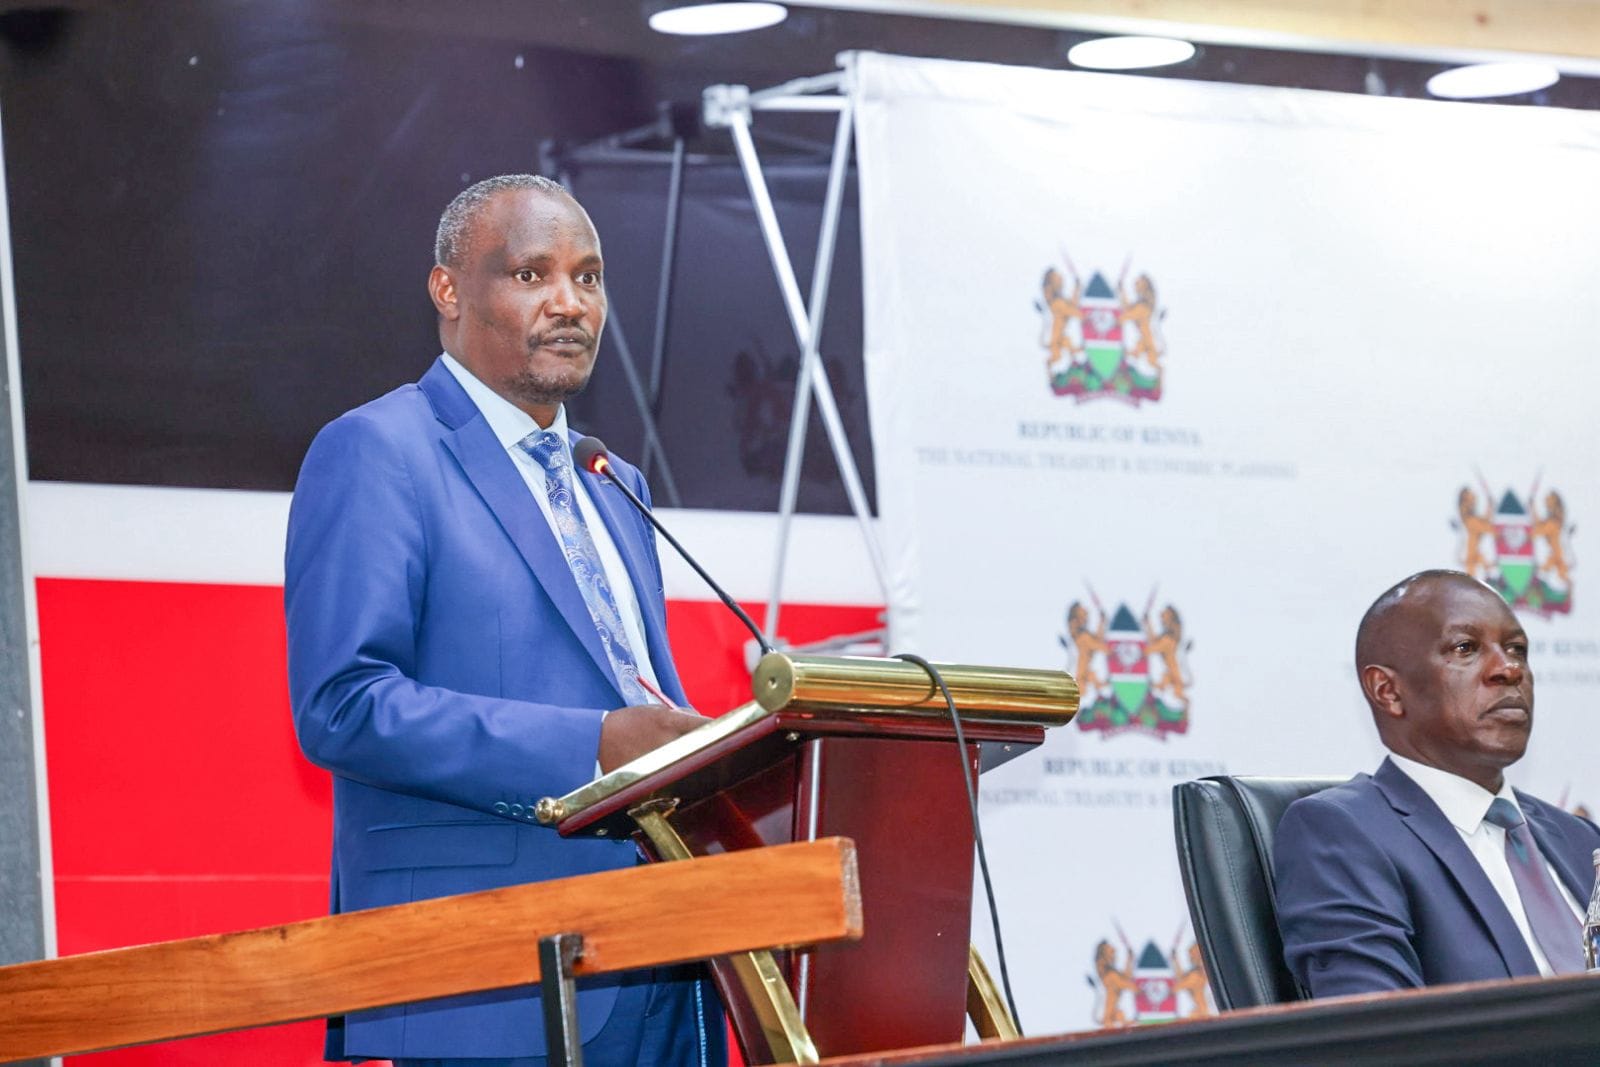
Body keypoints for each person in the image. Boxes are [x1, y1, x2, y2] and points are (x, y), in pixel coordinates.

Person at [285, 174, 723, 1066]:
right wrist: (592, 746)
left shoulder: (614, 483)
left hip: (664, 961)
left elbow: (639, 693)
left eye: (590, 278)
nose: (570, 303)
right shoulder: (379, 451)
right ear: (449, 289)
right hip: (489, 982)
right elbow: (343, 703)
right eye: (531, 276)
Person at [1274, 569, 1600, 998]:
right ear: (1387, 691)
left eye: (1517, 649)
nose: (1509, 669)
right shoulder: (1341, 833)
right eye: (1465, 648)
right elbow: (1381, 1036)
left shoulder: (1579, 839)